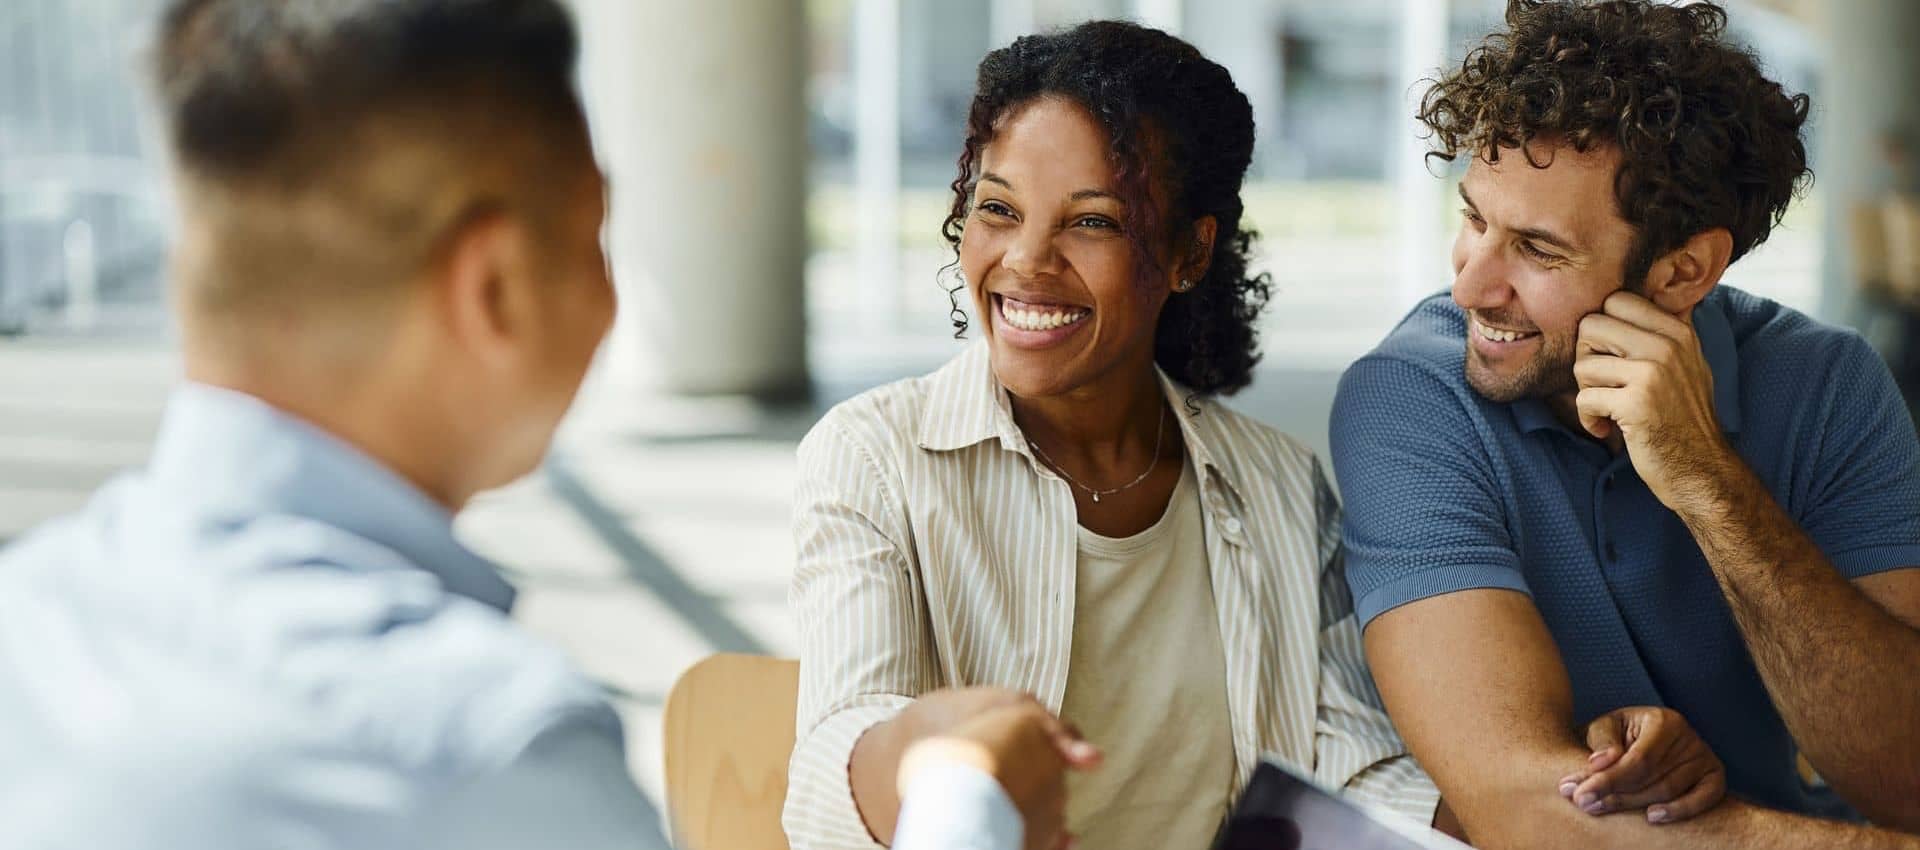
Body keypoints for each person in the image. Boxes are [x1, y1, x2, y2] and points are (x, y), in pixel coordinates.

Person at [0, 2, 1084, 849]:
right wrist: (963, 804)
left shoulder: (31, 608)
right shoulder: (477, 745)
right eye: (594, 236)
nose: (611, 298)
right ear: (497, 288)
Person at [783, 20, 1713, 850]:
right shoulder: (874, 458)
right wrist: (933, 746)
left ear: (1189, 253)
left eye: (1093, 221)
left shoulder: (1274, 483)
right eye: (997, 208)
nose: (1025, 260)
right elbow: (827, 775)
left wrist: (1566, 789)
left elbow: (1350, 772)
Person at [1330, 1, 1920, 847]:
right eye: (1473, 219)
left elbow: (1905, 774)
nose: (1470, 287)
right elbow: (1520, 806)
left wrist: (1710, 485)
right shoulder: (1410, 398)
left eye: (1538, 250)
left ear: (1684, 271)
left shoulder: (1828, 383)